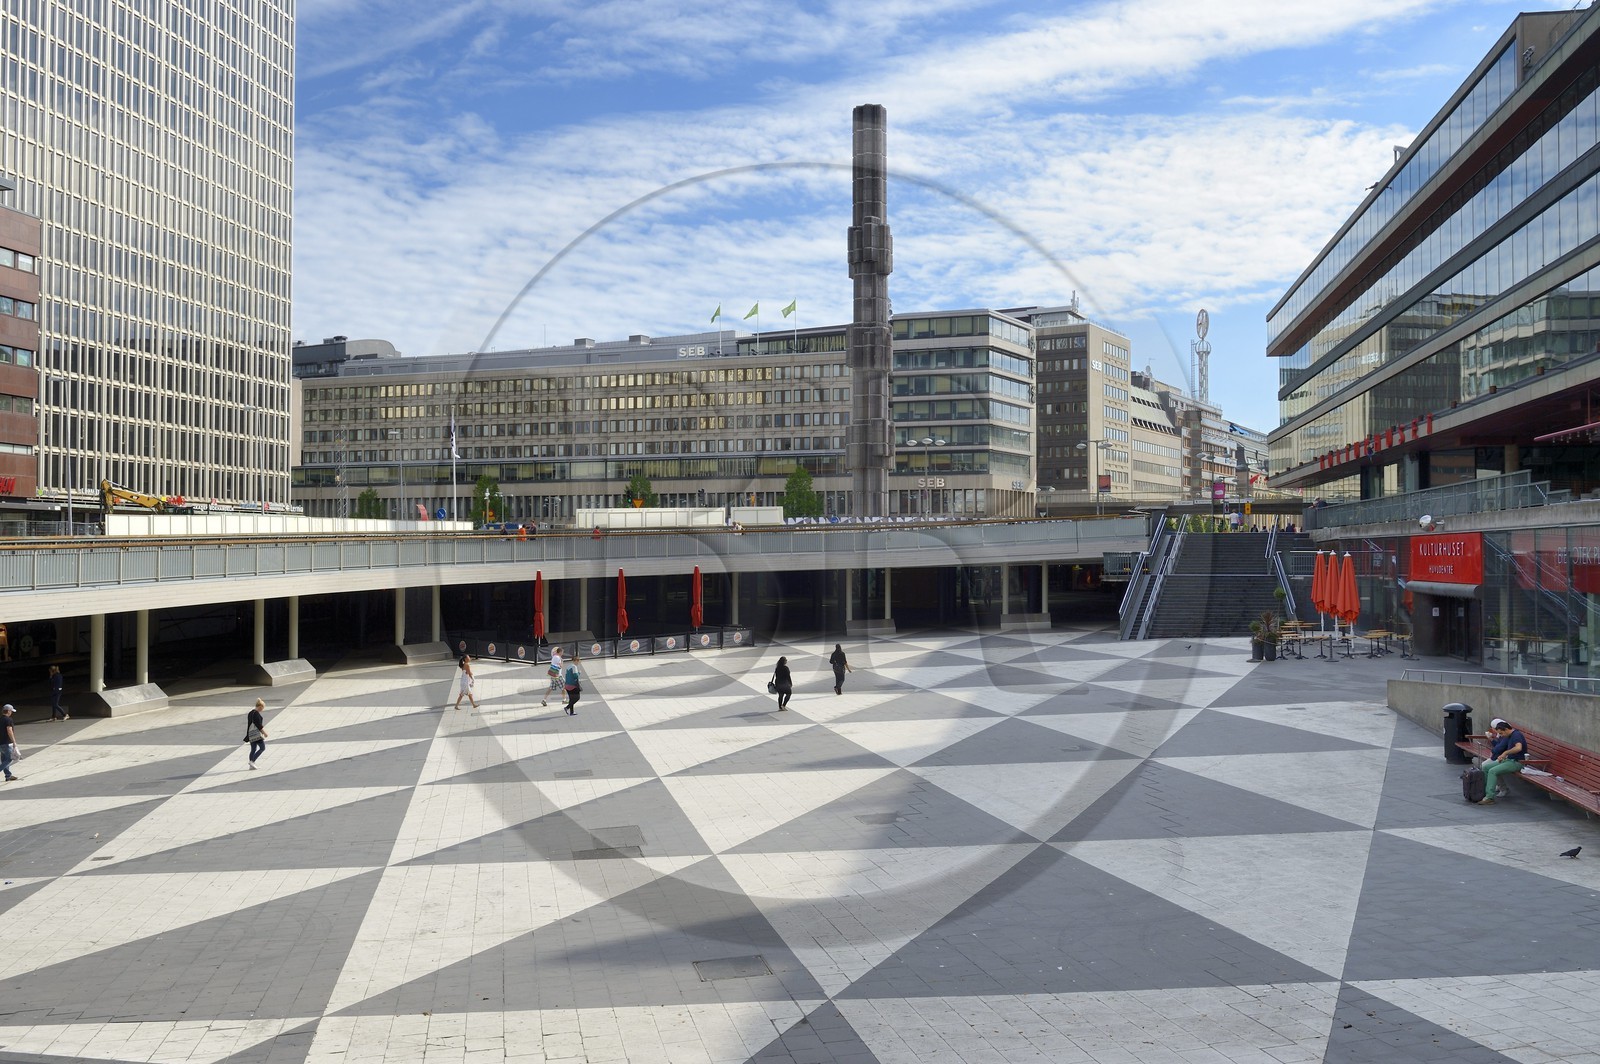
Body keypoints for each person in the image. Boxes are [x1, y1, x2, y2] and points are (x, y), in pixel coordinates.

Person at [1478, 718, 1527, 805]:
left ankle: (1489, 797)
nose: (1501, 735)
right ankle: (1485, 791)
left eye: (1501, 733)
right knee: (1485, 767)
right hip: (1508, 760)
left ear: (1507, 729)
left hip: (1516, 762)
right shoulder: (1509, 735)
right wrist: (1502, 756)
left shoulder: (1516, 735)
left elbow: (1518, 748)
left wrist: (1505, 753)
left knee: (1493, 771)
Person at [244, 697, 268, 770]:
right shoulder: (256, 714)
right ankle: (252, 761)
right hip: (256, 735)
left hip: (250, 734)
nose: (262, 710)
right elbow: (259, 726)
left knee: (253, 749)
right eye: (262, 708)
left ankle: (251, 765)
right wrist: (265, 733)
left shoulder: (250, 713)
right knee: (262, 748)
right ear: (260, 707)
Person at [1, 704, 18, 782]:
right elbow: (9, 730)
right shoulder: (9, 720)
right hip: (6, 742)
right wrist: (14, 741)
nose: (11, 712)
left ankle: (8, 775)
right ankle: (8, 775)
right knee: (9, 758)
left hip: (0, 743)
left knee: (4, 759)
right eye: (11, 711)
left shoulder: (0, 719)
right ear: (8, 711)